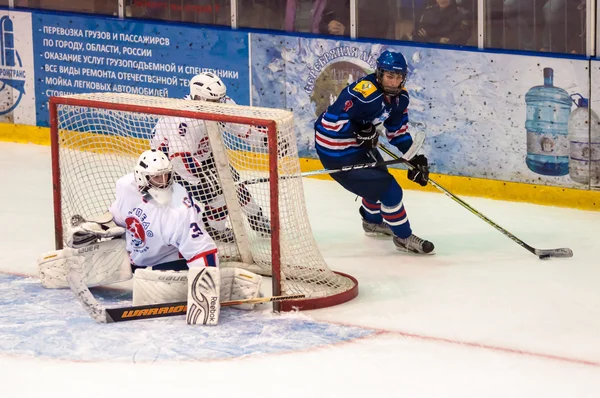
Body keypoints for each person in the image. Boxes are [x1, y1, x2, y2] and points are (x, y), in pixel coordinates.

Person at [37, 149, 263, 325]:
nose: (163, 183)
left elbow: (202, 250)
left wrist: (205, 291)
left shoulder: (179, 210)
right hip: (135, 255)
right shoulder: (126, 187)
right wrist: (96, 227)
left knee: (147, 287)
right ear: (141, 177)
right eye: (157, 178)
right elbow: (119, 217)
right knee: (127, 268)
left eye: (167, 176)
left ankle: (222, 278)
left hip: (171, 262)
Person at [314, 50, 434, 254]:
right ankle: (403, 237)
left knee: (379, 180)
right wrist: (357, 130)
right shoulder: (363, 93)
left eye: (398, 77)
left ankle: (372, 222)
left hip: (357, 146)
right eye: (390, 76)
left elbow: (397, 132)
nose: (394, 82)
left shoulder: (400, 98)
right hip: (336, 152)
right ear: (379, 73)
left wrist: (413, 157)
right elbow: (329, 124)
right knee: (391, 191)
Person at [151, 72, 271, 244]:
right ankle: (216, 231)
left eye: (220, 99)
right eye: (214, 101)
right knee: (218, 196)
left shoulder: (219, 103)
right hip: (171, 166)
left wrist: (265, 139)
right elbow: (179, 158)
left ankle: (257, 219)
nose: (219, 104)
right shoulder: (183, 120)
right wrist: (201, 181)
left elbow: (241, 127)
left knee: (236, 185)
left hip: (204, 155)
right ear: (198, 97)